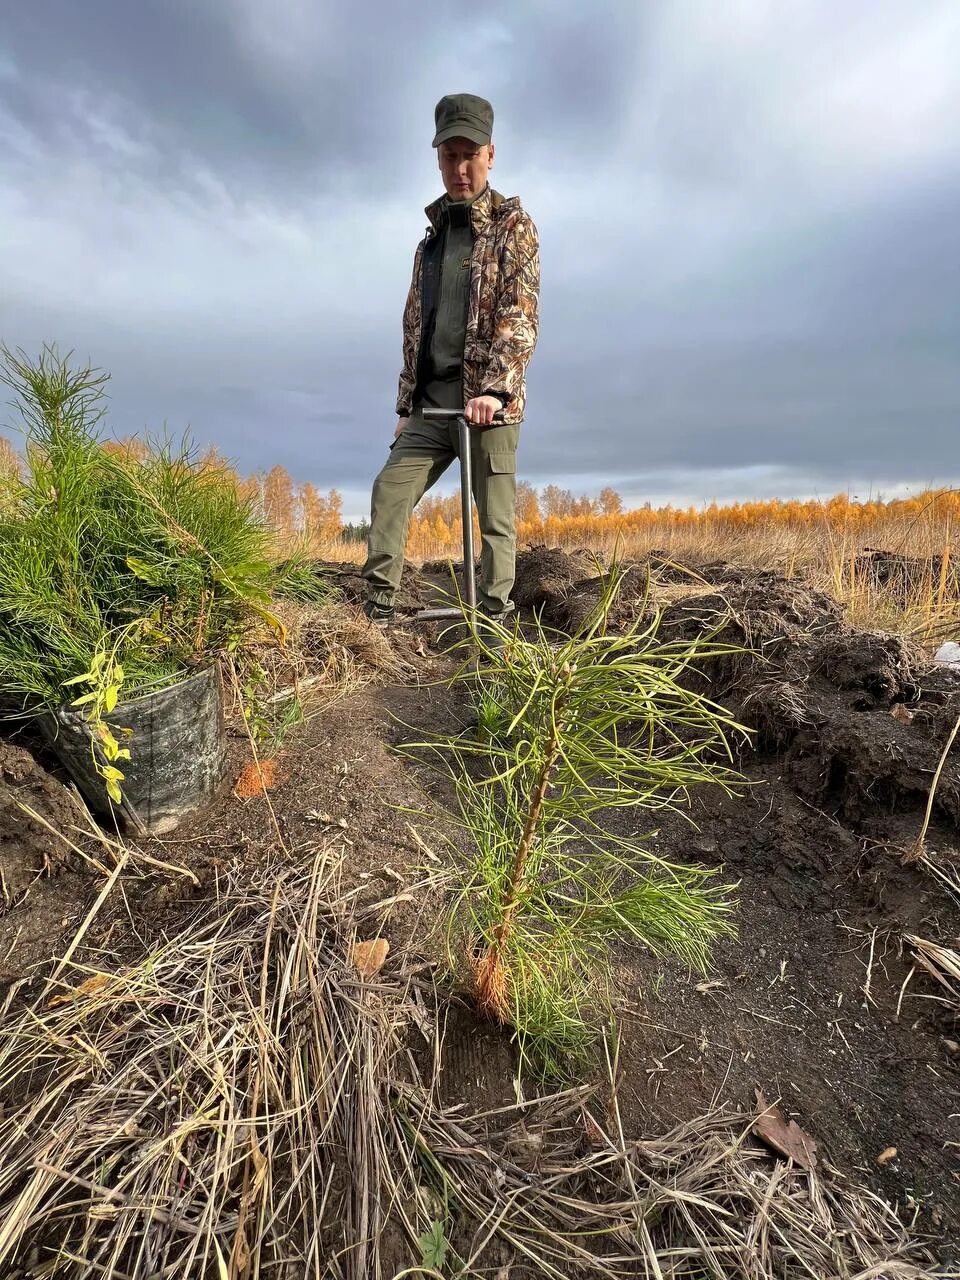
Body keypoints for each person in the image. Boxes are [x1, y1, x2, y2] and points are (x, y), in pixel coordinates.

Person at [361, 92, 540, 626]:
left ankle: (494, 621)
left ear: (490, 154)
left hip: (489, 404)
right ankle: (378, 608)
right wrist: (404, 405)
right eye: (448, 157)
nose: (459, 169)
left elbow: (520, 314)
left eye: (469, 155)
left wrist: (495, 390)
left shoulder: (513, 228)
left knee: (496, 519)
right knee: (390, 489)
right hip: (432, 404)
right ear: (437, 158)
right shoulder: (431, 242)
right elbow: (416, 325)